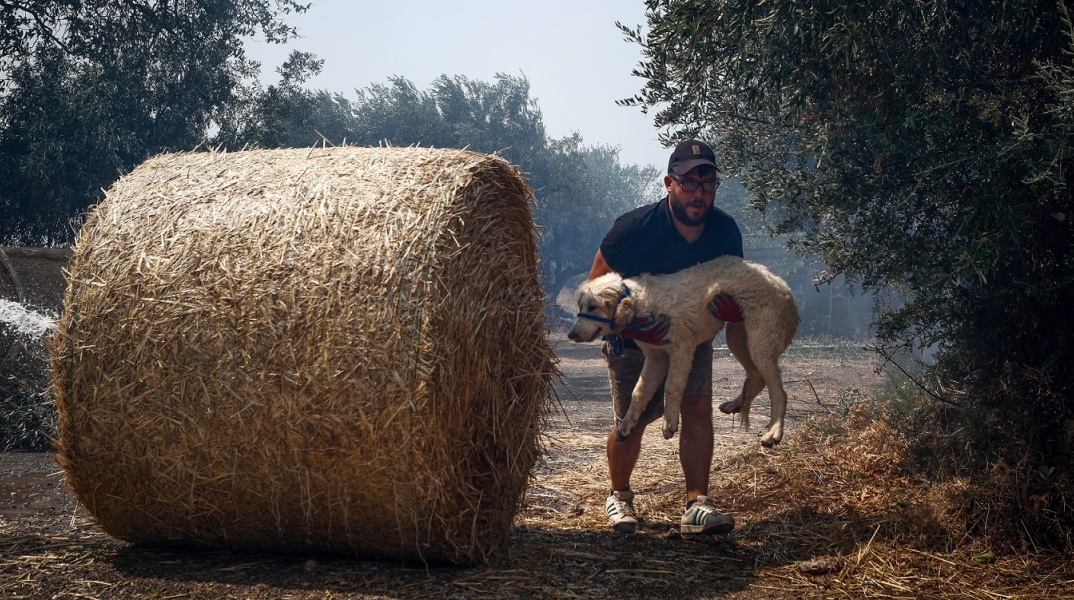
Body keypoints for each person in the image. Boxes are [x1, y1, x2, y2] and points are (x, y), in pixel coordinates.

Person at [588, 139, 753, 535]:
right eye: (689, 183)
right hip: (633, 339)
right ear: (669, 183)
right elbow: (596, 285)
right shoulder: (632, 229)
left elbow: (735, 286)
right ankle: (620, 496)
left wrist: (733, 309)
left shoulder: (725, 231)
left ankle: (696, 503)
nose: (699, 193)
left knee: (697, 410)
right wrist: (632, 325)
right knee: (636, 418)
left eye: (707, 183)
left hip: (690, 336)